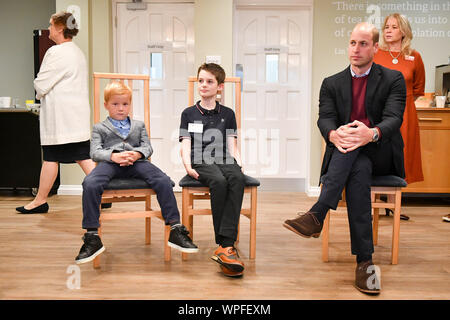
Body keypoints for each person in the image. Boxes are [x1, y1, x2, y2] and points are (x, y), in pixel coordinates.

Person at [283, 22, 406, 294]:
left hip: (380, 151)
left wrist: (370, 133)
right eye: (353, 43)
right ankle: (365, 262)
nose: (356, 49)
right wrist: (333, 134)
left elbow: (394, 120)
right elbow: (325, 118)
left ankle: (318, 213)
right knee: (357, 168)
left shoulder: (393, 79)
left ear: (375, 47)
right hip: (349, 154)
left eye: (363, 44)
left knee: (357, 152)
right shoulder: (331, 83)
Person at [75, 81, 198, 264]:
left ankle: (176, 228)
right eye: (115, 104)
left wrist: (138, 153)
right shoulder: (99, 128)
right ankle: (92, 236)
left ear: (130, 105)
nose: (121, 108)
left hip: (137, 163)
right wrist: (113, 156)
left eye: (125, 104)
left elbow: (147, 147)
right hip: (110, 164)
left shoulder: (138, 125)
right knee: (91, 183)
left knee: (163, 180)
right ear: (106, 105)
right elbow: (94, 152)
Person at [16, 12, 95, 214]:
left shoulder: (56, 52)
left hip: (61, 118)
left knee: (52, 157)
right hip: (74, 117)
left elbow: (41, 84)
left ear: (60, 28)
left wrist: (37, 85)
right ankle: (102, 193)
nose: (49, 28)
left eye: (51, 25)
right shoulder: (77, 52)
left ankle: (40, 201)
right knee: (81, 156)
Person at [179, 63, 246, 277]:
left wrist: (239, 163)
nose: (203, 85)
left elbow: (232, 143)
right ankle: (226, 245)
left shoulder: (228, 113)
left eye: (209, 81)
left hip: (224, 158)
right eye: (201, 81)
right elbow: (185, 142)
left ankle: (224, 248)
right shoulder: (188, 113)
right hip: (201, 159)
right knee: (219, 181)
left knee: (237, 177)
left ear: (220, 87)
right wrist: (187, 165)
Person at [374, 13, 426, 220]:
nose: (388, 30)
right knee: (379, 154)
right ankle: (376, 205)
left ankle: (395, 205)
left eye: (394, 27)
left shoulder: (415, 56)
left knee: (401, 155)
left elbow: (419, 88)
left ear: (403, 31)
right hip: (379, 112)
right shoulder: (376, 54)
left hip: (405, 113)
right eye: (386, 26)